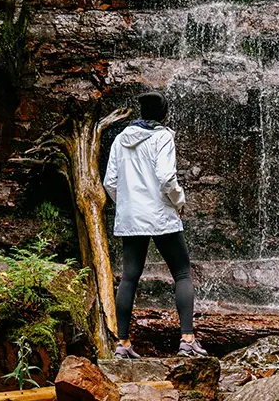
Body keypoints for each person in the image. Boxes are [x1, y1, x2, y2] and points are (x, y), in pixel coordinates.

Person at [103, 92, 208, 359]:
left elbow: (109, 183)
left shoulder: (120, 139)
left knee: (128, 277)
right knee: (182, 273)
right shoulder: (162, 136)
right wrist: (179, 202)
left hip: (131, 217)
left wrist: (128, 204)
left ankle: (123, 343)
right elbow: (165, 178)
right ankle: (186, 340)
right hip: (161, 215)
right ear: (163, 113)